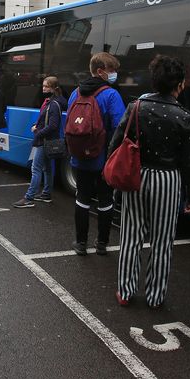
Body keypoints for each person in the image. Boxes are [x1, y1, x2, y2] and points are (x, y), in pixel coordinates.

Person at [109, 56, 190, 307]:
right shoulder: (184, 115)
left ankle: (126, 291)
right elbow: (188, 161)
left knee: (131, 236)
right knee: (163, 239)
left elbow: (116, 141)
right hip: (169, 179)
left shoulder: (137, 106)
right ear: (179, 84)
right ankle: (155, 296)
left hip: (137, 174)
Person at [66, 52, 126, 255]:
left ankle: (80, 243)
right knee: (105, 200)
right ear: (100, 71)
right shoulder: (111, 94)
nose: (114, 74)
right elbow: (120, 126)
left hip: (79, 157)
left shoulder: (76, 93)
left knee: (82, 198)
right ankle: (101, 243)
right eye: (112, 70)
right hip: (104, 158)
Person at [13, 76, 68, 207]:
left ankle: (29, 198)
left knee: (35, 168)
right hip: (47, 140)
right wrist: (37, 126)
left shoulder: (54, 104)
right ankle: (46, 194)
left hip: (44, 141)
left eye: (47, 86)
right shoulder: (52, 102)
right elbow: (47, 122)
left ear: (54, 88)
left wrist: (37, 131)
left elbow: (53, 125)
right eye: (43, 86)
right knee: (47, 168)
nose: (44, 89)